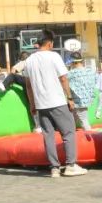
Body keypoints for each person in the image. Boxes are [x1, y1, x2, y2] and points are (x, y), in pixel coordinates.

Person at [24, 30, 85, 178]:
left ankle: (54, 168)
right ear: (50, 43)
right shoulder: (54, 56)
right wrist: (69, 98)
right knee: (69, 132)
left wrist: (32, 104)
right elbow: (63, 79)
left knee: (48, 136)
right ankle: (70, 165)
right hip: (57, 101)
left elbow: (28, 85)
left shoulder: (29, 61)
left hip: (41, 104)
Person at [66, 55, 98, 132]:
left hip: (76, 101)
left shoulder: (70, 74)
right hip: (87, 99)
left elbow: (66, 86)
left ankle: (90, 135)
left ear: (73, 63)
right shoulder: (90, 71)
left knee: (83, 120)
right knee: (74, 118)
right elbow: (95, 83)